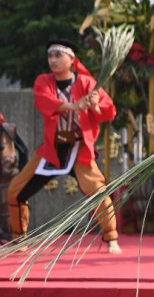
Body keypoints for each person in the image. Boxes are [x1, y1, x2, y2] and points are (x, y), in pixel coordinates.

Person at [7, 40, 121, 254]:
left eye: (58, 55)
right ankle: (19, 239)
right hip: (53, 148)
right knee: (15, 190)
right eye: (50, 56)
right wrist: (73, 105)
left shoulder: (87, 82)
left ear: (71, 59)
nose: (53, 60)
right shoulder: (43, 81)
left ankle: (112, 237)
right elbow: (44, 101)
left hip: (79, 149)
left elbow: (108, 111)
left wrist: (95, 105)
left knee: (98, 191)